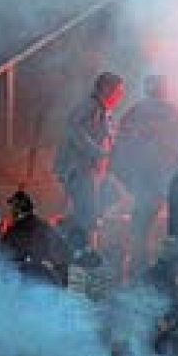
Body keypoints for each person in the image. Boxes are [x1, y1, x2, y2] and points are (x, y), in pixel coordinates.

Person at [113, 75, 178, 269]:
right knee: (161, 221)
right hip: (159, 175)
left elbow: (120, 141)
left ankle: (139, 264)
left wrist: (124, 170)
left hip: (148, 174)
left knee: (141, 222)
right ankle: (160, 264)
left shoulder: (136, 112)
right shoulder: (170, 112)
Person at [54, 72, 124, 234]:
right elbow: (74, 130)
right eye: (118, 91)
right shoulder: (89, 106)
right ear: (106, 89)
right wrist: (97, 152)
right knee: (88, 217)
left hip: (94, 171)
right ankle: (79, 240)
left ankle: (72, 227)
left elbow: (108, 136)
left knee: (112, 196)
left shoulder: (106, 112)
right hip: (80, 170)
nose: (120, 96)